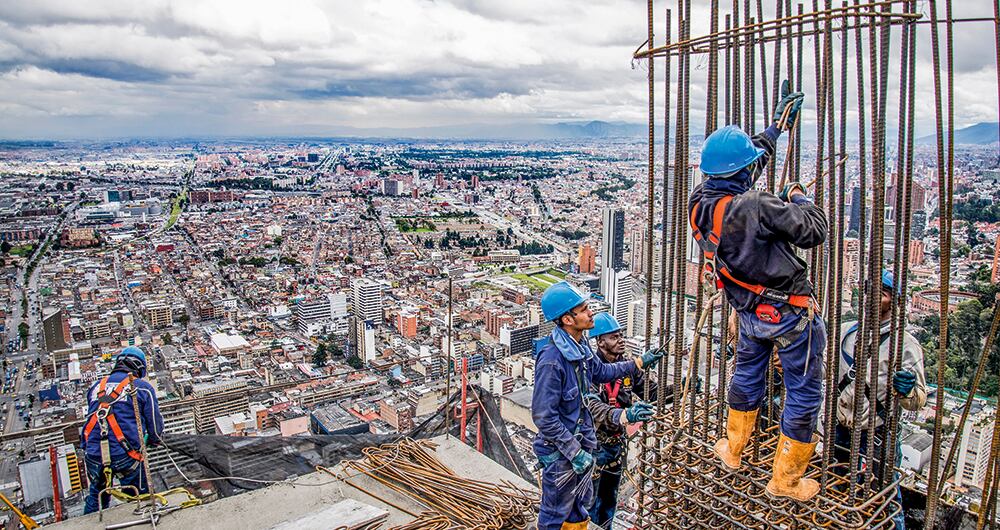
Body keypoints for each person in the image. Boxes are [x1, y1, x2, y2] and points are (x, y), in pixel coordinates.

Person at [689, 80, 829, 501]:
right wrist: (799, 197)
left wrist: (774, 130)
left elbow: (742, 167)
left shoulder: (700, 203)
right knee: (803, 390)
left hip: (748, 312)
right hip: (790, 313)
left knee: (747, 377)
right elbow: (814, 231)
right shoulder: (756, 206)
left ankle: (733, 449)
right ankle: (786, 480)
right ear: (743, 173)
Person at [532, 282, 664, 530]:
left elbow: (601, 371)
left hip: (582, 444)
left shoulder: (579, 346)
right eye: (583, 309)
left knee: (577, 509)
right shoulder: (552, 360)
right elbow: (544, 418)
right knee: (554, 514)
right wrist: (574, 452)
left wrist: (638, 363)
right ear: (568, 319)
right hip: (562, 453)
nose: (590, 312)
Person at [834, 269, 926, 529]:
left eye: (882, 294)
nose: (874, 298)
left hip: (877, 434)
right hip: (841, 429)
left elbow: (918, 400)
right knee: (838, 486)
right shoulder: (846, 333)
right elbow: (823, 369)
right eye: (870, 292)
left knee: (884, 497)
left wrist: (907, 391)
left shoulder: (905, 345)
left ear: (894, 302)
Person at [585, 312, 669, 529]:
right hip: (594, 445)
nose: (620, 340)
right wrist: (623, 415)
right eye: (614, 337)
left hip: (614, 445)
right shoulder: (590, 369)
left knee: (608, 503)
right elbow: (591, 405)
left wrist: (680, 388)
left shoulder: (627, 369)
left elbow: (653, 393)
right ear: (600, 341)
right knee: (589, 505)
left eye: (621, 335)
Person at [81, 346, 164, 514]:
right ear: (140, 368)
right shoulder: (141, 387)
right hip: (126, 455)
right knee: (140, 498)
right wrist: (154, 440)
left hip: (94, 453)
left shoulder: (96, 386)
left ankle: (90, 523)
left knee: (96, 496)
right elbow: (155, 428)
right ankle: (142, 519)